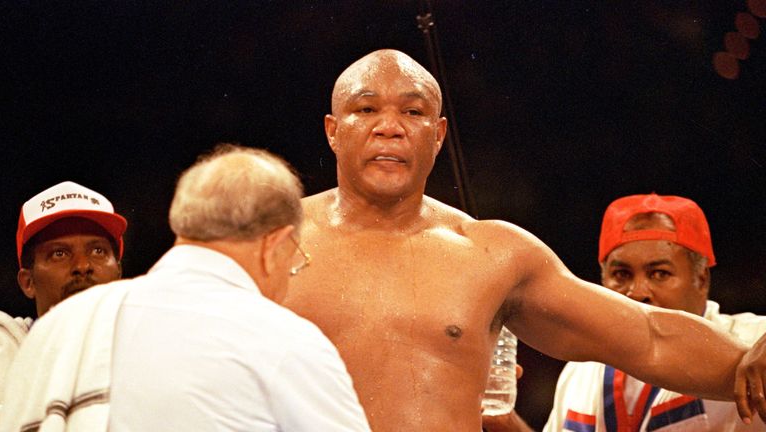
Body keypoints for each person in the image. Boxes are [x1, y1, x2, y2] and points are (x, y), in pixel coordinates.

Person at [280, 48, 766, 431]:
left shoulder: (491, 254)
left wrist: (752, 359)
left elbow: (648, 337)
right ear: (332, 131)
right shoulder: (270, 242)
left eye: (413, 111)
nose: (390, 128)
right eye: (366, 109)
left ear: (438, 134)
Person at [0, 144, 371, 431]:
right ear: (276, 244)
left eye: (97, 250)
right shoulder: (283, 338)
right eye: (295, 257)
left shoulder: (54, 335)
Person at [540, 194, 766, 431]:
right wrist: (505, 422)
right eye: (621, 275)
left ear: (701, 279)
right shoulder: (581, 369)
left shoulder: (746, 343)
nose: (637, 293)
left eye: (659, 273)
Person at [0, 181, 126, 408]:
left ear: (118, 274)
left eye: (98, 251)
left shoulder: (154, 347)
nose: (83, 265)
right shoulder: (4, 354)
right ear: (28, 282)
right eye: (59, 253)